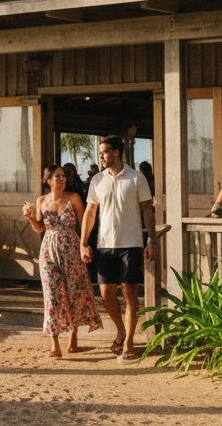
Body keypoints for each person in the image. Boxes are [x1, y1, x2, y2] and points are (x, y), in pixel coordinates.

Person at [80, 135, 156, 363]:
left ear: (116, 152)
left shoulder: (136, 178)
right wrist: (83, 243)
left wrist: (152, 239)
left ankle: (129, 342)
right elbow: (90, 213)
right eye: (100, 152)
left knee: (130, 294)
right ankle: (120, 330)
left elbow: (147, 211)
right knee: (105, 294)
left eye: (104, 152)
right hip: (105, 245)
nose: (101, 156)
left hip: (131, 244)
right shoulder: (97, 180)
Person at [24, 164, 101, 358]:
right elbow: (40, 228)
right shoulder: (41, 200)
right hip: (48, 250)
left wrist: (85, 245)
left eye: (63, 176)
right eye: (57, 176)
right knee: (52, 295)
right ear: (48, 180)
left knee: (74, 291)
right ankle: (54, 343)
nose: (61, 179)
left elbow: (85, 222)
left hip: (72, 249)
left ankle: (73, 336)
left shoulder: (73, 198)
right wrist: (30, 218)